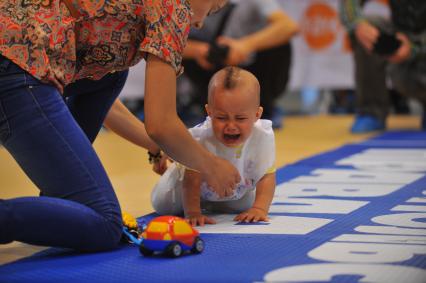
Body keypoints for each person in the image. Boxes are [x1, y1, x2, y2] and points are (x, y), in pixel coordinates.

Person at [0, 0, 242, 252]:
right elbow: (162, 124)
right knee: (105, 225)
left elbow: (107, 95)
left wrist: (158, 147)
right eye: (213, 8)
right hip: (15, 65)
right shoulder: (175, 6)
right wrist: (210, 164)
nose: (201, 23)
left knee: (113, 73)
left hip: (14, 50)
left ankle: (63, 200)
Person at [152, 67, 276, 226]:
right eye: (222, 117)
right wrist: (193, 213)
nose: (231, 126)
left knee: (244, 205)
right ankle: (177, 177)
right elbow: (192, 180)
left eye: (240, 118)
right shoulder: (201, 137)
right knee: (162, 204)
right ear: (209, 112)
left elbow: (267, 176)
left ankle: (212, 203)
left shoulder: (262, 135)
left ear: (257, 115)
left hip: (230, 192)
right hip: (184, 188)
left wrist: (259, 209)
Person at [179, 0, 299, 128]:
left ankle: (265, 103)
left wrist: (244, 46)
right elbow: (163, 41)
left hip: (252, 67)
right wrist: (199, 50)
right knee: (177, 47)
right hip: (210, 67)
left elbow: (289, 26)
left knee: (279, 43)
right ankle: (197, 105)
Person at [340, 0, 426, 133]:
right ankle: (371, 111)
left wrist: (415, 48)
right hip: (402, 39)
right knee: (370, 29)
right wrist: (357, 23)